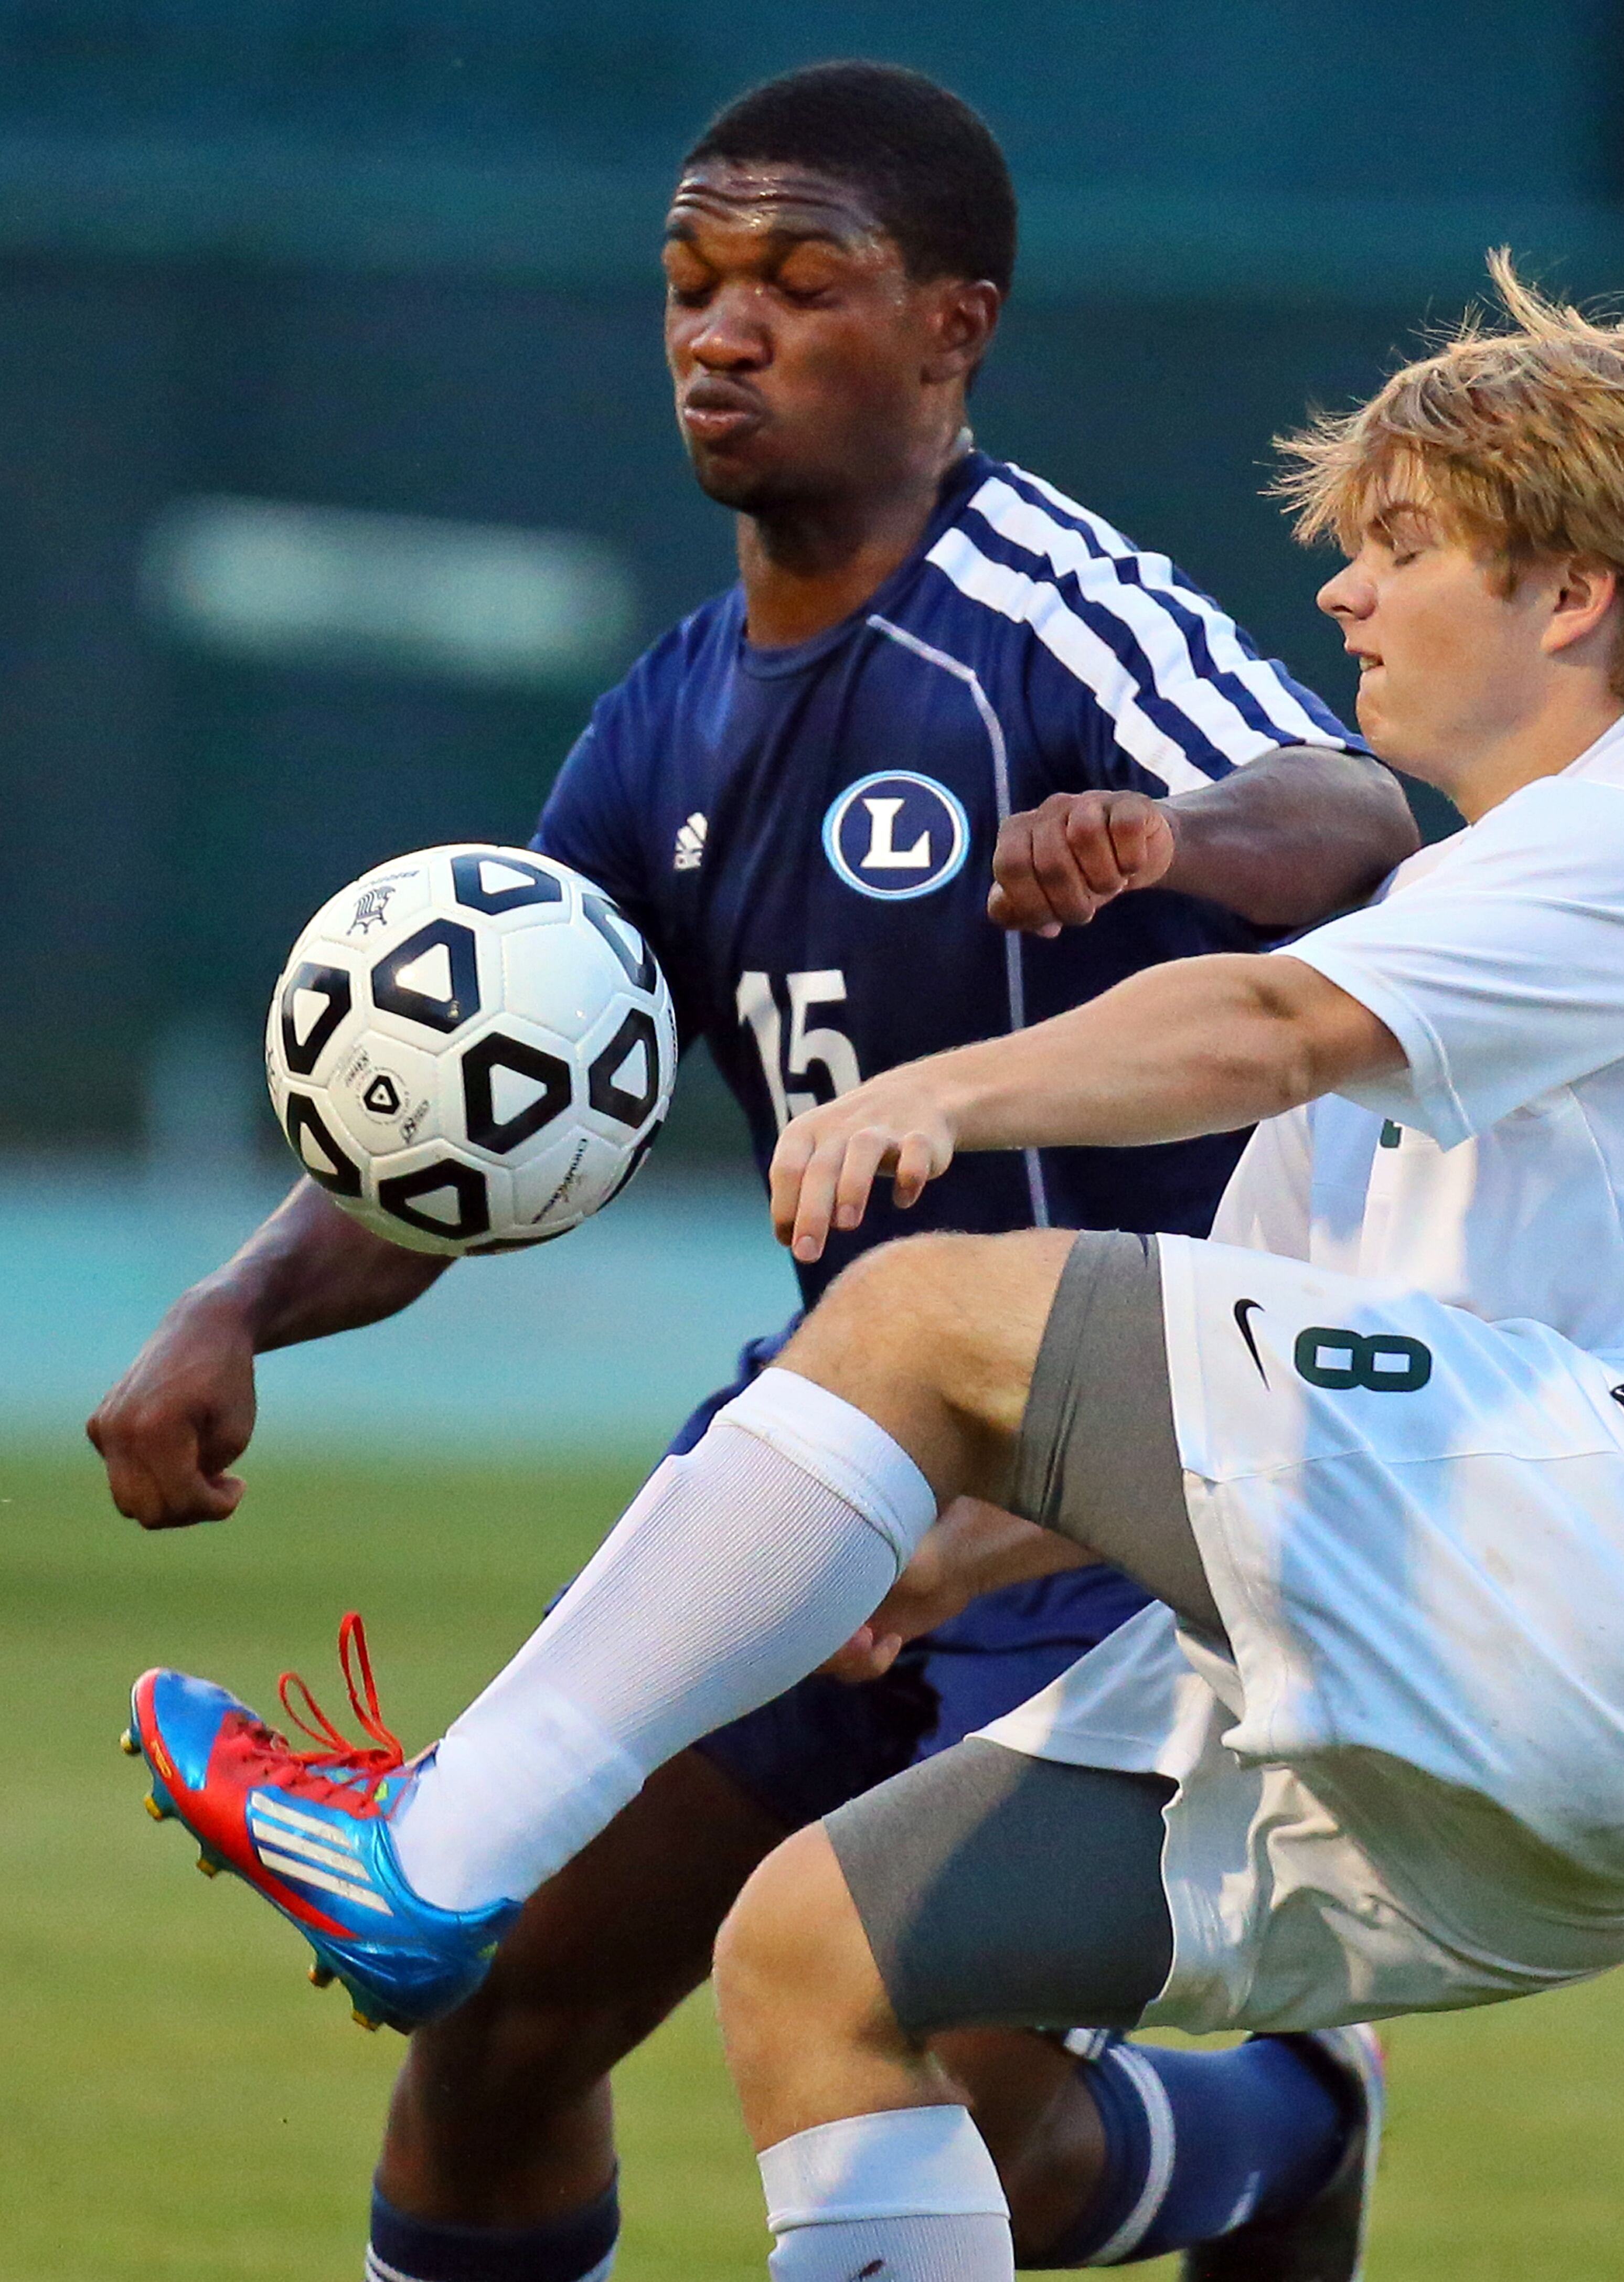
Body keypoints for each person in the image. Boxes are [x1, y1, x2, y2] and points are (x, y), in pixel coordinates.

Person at [98, 60, 1417, 2282]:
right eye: (695, 283)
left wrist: (1171, 839)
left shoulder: (1044, 611)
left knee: (970, 2115)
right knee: (502, 2023)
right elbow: (490, 1108)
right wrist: (239, 1303)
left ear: (951, 329)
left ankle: (1289, 2116)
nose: (725, 330)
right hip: (823, 1481)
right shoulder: (667, 715)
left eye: (803, 284)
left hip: (1117, 1505)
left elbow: (1355, 813)